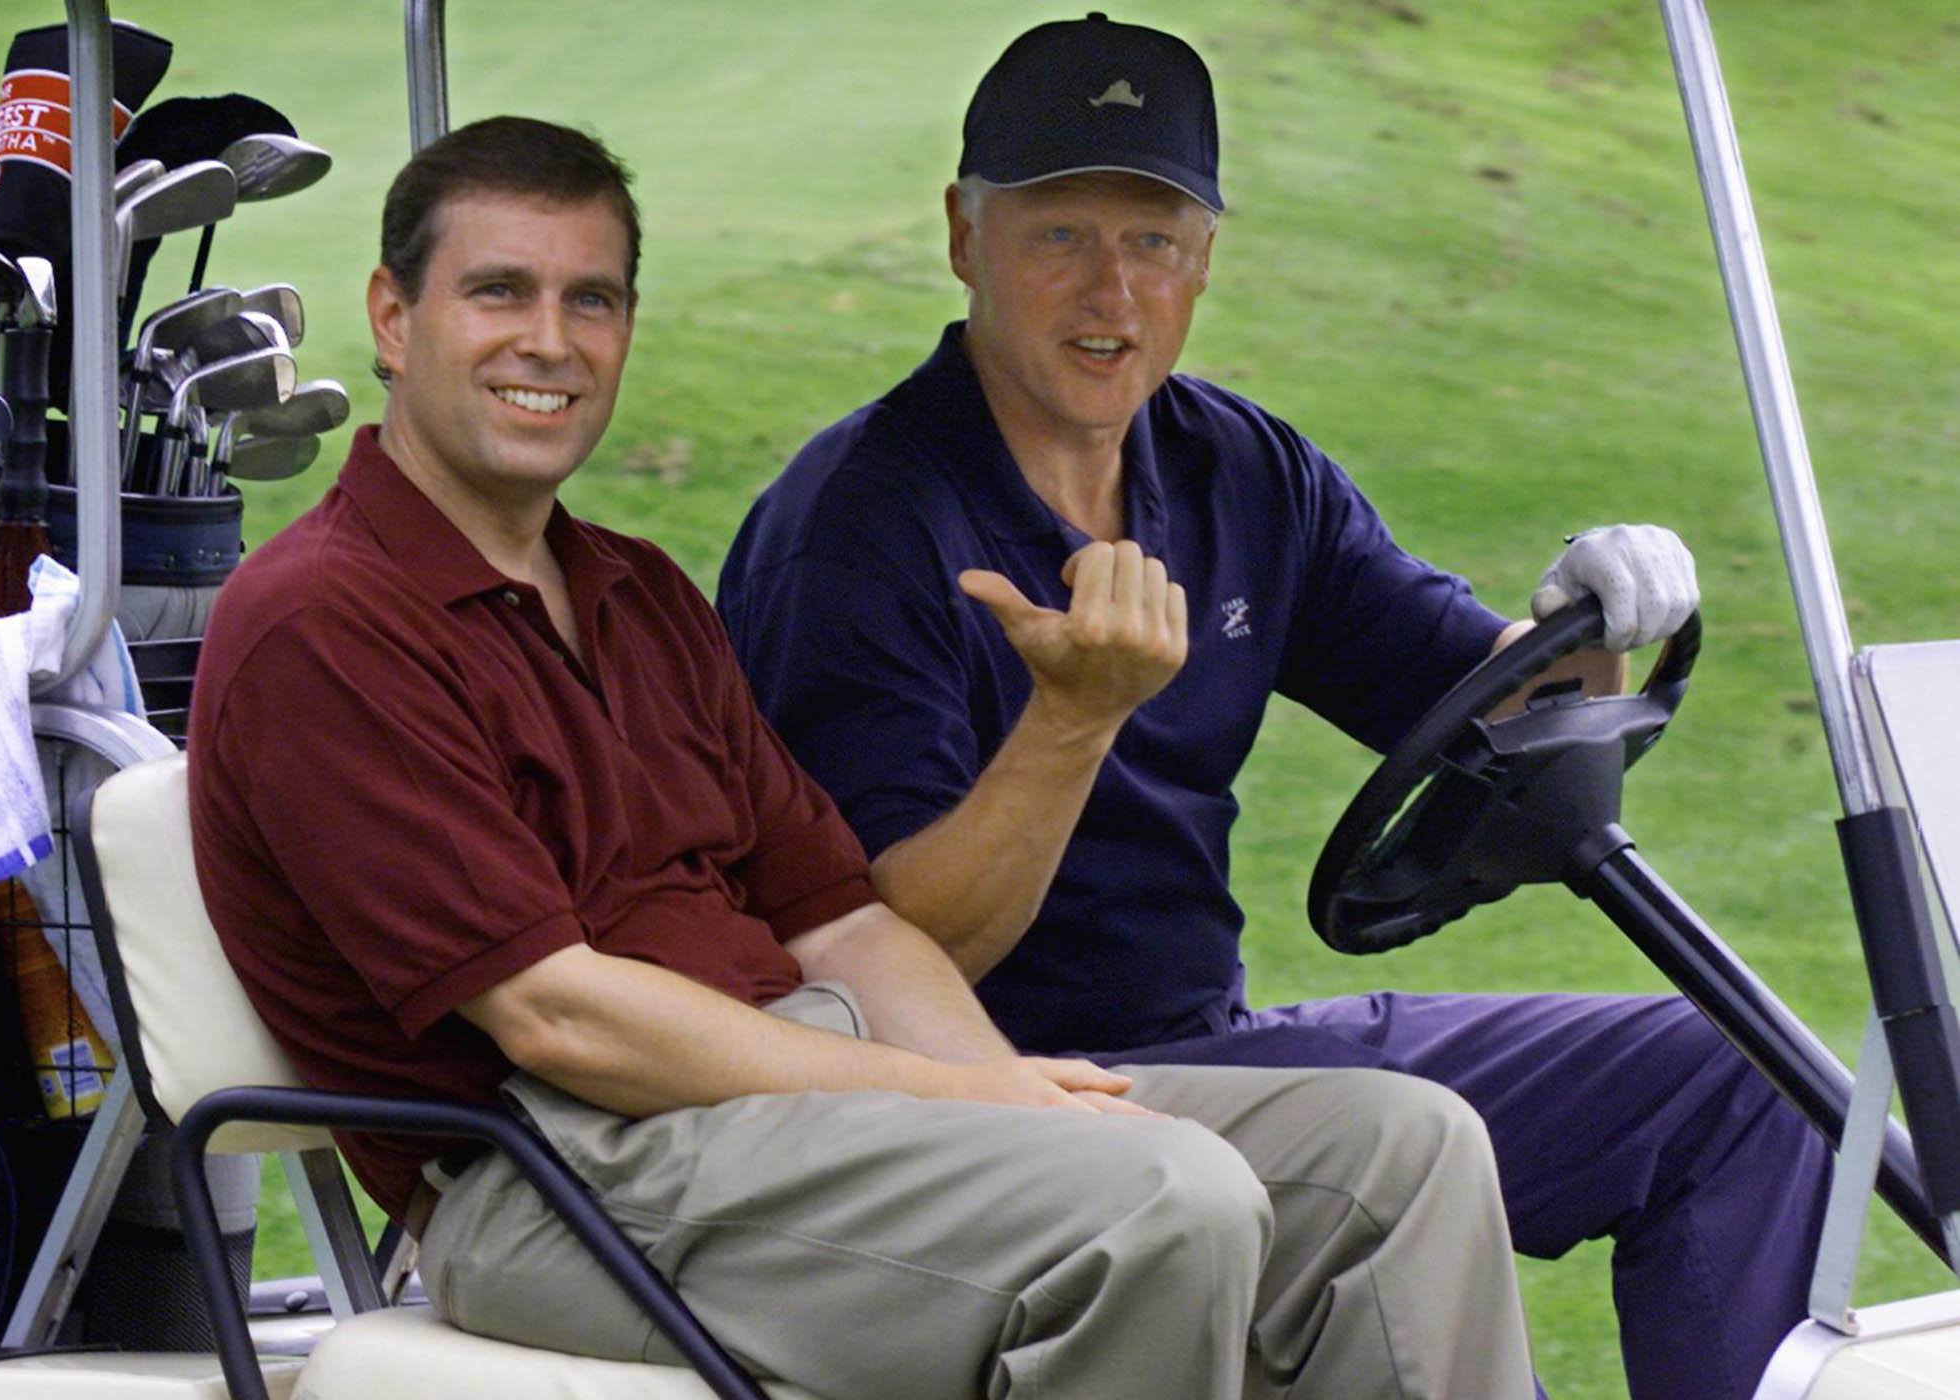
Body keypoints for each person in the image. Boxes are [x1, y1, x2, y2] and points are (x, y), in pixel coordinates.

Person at [188, 114, 1539, 1399]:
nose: (548, 340)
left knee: (1402, 1151)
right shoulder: (327, 622)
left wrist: (1004, 1096)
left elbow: (840, 922)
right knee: (1157, 1203)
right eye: (499, 292)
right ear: (390, 314)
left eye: (591, 300)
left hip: (792, 1112)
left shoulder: (637, 596)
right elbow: (560, 1018)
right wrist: (962, 1097)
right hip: (557, 1170)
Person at [716, 16, 1833, 1400]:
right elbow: (882, 955)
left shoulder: (1239, 469)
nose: (1111, 292)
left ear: (1206, 259)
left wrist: (1591, 628)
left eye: (1157, 240)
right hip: (993, 1110)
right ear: (964, 236)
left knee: (1740, 1072)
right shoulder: (864, 526)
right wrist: (1073, 724)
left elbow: (1481, 701)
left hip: (1216, 1051)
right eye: (1060, 234)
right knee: (1408, 1141)